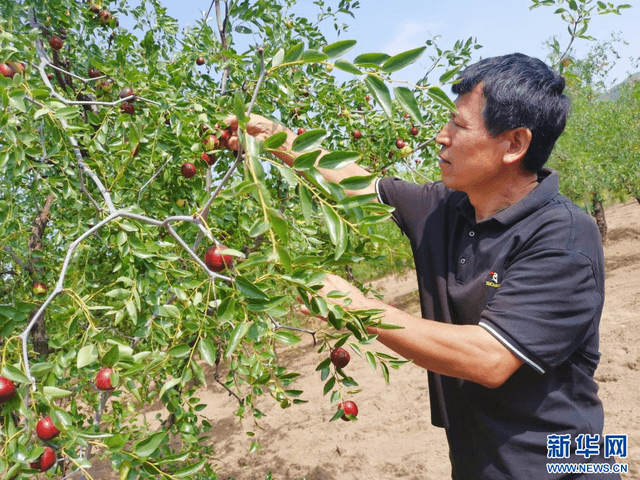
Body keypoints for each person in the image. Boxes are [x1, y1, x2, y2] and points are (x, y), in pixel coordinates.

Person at [226, 53, 618, 479]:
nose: (440, 136)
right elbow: (360, 185)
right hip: (476, 462)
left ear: (514, 144)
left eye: (458, 126)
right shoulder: (447, 208)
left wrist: (358, 308)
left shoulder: (564, 237)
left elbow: (490, 358)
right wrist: (277, 139)